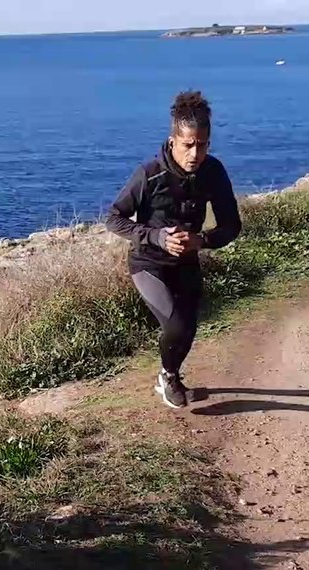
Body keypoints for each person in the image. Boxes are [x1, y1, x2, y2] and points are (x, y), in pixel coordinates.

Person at [105, 90, 243, 409]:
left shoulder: (213, 172)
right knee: (176, 324)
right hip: (148, 263)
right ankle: (168, 377)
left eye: (203, 145)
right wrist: (156, 237)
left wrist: (203, 240)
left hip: (187, 261)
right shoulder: (150, 174)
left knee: (189, 327)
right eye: (188, 144)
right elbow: (114, 218)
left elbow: (231, 225)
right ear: (173, 140)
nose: (195, 153)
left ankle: (171, 374)